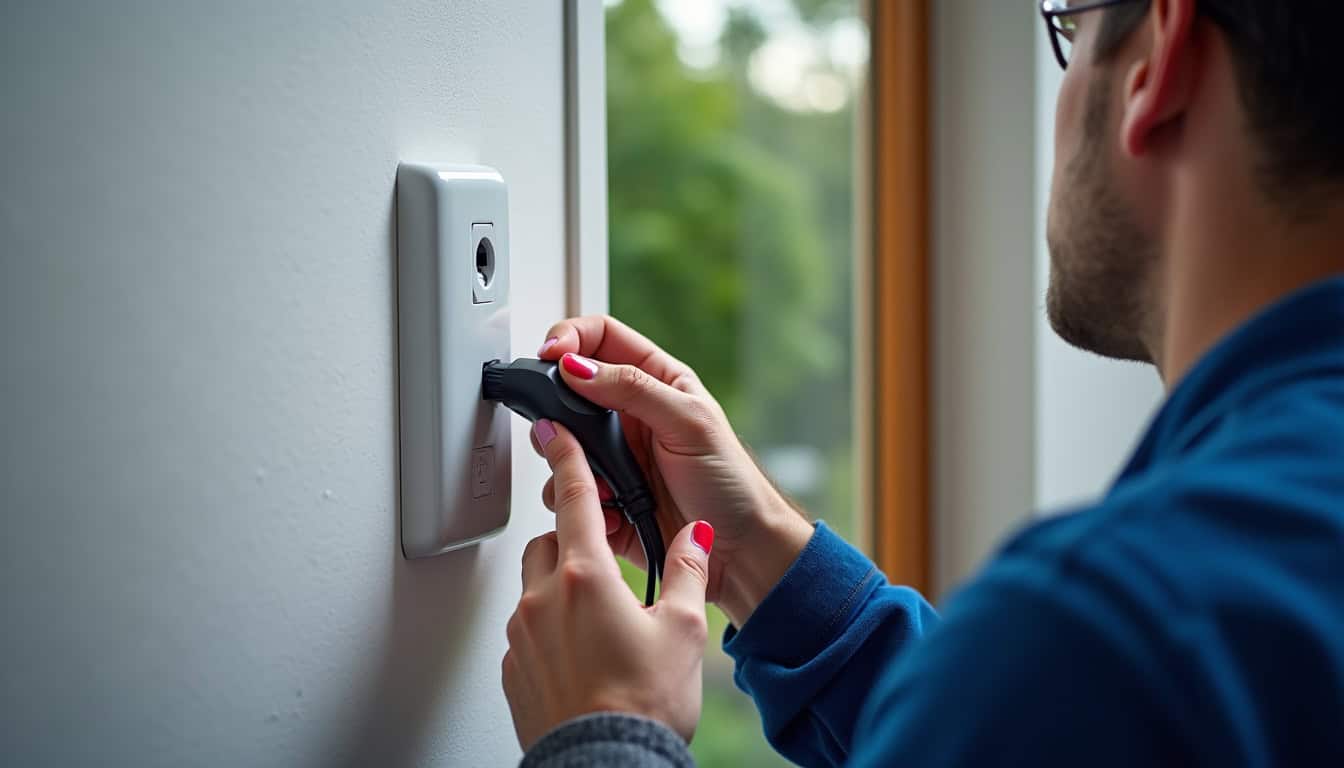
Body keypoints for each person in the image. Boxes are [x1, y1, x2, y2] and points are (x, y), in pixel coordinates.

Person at [501, 0, 1344, 764]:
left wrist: (609, 733)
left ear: (1157, 57)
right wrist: (753, 552)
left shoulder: (1118, 635)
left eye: (1069, 30)